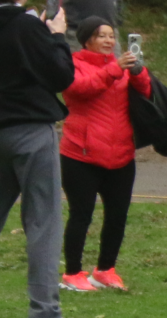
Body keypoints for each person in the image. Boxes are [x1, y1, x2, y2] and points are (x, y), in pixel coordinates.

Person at [0, 0, 76, 318]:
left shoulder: (25, 25)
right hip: (30, 129)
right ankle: (44, 313)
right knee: (43, 220)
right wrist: (58, 36)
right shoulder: (28, 26)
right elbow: (62, 76)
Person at [56, 18, 149, 293]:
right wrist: (113, 69)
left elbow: (145, 93)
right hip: (80, 155)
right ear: (87, 40)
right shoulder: (73, 63)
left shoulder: (121, 67)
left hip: (121, 154)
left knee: (117, 215)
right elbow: (79, 89)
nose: (109, 41)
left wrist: (138, 71)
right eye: (101, 36)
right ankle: (72, 273)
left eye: (111, 36)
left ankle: (105, 270)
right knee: (81, 215)